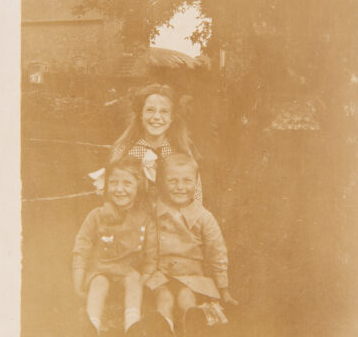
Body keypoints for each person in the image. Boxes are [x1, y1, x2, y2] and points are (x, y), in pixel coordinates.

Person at [145, 153, 238, 336]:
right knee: (163, 298)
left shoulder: (204, 218)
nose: (180, 187)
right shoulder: (155, 214)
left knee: (186, 297)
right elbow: (150, 249)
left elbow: (217, 253)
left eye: (187, 181)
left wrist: (223, 289)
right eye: (172, 181)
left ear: (196, 183)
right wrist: (147, 275)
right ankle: (165, 327)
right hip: (161, 274)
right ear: (162, 182)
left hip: (191, 276)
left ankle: (192, 325)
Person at [73, 157, 157, 336]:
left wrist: (146, 277)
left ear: (138, 186)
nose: (120, 189)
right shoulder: (97, 215)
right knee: (99, 284)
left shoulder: (145, 218)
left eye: (127, 183)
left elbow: (152, 252)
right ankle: (91, 326)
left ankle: (132, 327)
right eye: (113, 183)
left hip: (128, 271)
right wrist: (78, 279)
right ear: (106, 185)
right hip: (101, 269)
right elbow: (82, 246)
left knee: (134, 279)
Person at [89, 83, 203, 205]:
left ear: (171, 118)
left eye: (164, 111)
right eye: (150, 110)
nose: (156, 117)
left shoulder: (181, 150)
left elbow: (196, 196)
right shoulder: (125, 150)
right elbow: (111, 195)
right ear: (141, 115)